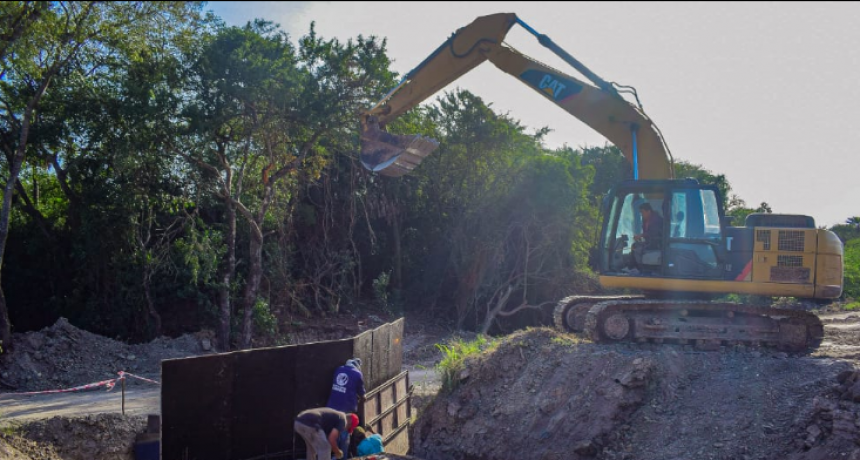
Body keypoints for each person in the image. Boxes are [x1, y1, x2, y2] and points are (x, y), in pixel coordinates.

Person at [326, 358, 366, 458]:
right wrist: (361, 400)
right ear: (357, 366)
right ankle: (342, 457)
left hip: (330, 408)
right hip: (345, 410)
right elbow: (362, 395)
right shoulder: (357, 374)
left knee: (333, 434)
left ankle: (332, 456)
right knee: (344, 436)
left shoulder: (338, 369)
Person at [294, 407, 359, 460]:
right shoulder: (343, 420)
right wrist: (337, 451)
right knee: (326, 447)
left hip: (298, 422)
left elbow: (328, 436)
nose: (345, 429)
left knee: (312, 448)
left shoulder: (335, 416)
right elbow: (331, 439)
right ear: (350, 422)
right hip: (311, 424)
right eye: (349, 428)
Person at [630, 202, 664, 270]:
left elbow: (653, 233)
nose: (641, 215)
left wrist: (641, 236)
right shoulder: (645, 220)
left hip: (656, 244)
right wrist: (640, 237)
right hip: (649, 242)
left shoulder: (656, 219)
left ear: (648, 211)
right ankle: (634, 267)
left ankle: (641, 268)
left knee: (638, 250)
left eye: (642, 212)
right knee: (634, 246)